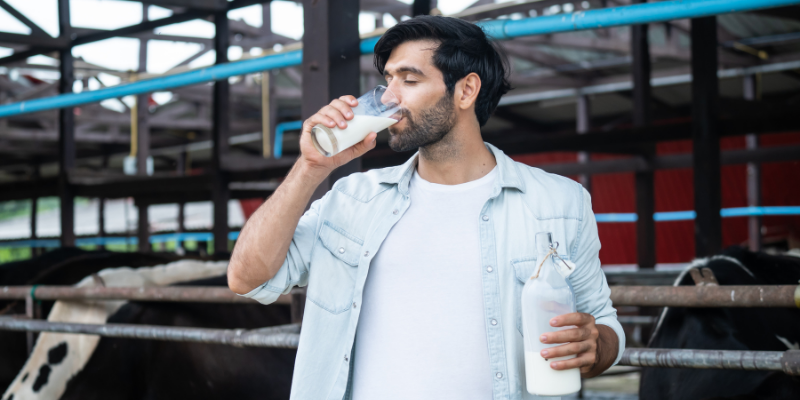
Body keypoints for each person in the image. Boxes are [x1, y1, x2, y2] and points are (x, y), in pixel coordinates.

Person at [228, 15, 624, 400]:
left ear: (466, 90)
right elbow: (247, 278)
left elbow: (604, 326)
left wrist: (595, 346)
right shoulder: (353, 200)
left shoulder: (559, 202)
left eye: (409, 79)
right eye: (388, 81)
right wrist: (309, 168)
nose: (388, 97)